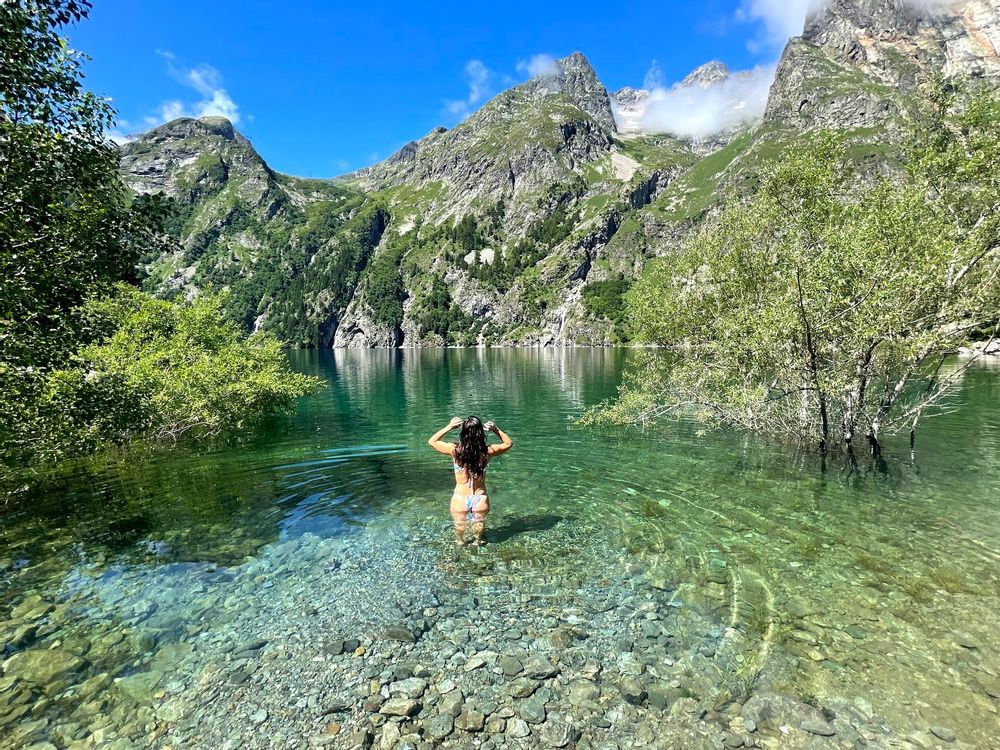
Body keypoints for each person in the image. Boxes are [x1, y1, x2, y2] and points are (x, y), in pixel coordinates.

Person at [427, 416, 513, 546]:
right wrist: (496, 430)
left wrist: (449, 427)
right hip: (480, 497)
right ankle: (478, 543)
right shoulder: (487, 451)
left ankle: (460, 543)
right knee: (479, 526)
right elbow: (508, 443)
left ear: (463, 433)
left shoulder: (455, 451)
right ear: (481, 433)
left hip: (460, 498)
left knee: (460, 527)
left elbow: (432, 441)